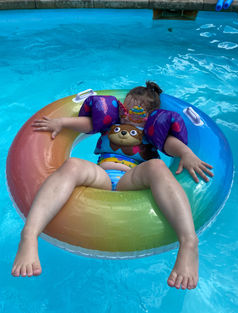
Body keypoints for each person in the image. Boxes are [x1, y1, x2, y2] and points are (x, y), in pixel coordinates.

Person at [11, 82, 213, 290]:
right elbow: (87, 125)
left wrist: (187, 154)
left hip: (131, 178)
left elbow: (169, 145)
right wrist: (61, 122)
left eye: (137, 113)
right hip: (103, 175)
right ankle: (29, 234)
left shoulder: (152, 132)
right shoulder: (111, 122)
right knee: (72, 165)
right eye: (126, 110)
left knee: (157, 166)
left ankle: (189, 242)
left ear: (150, 116)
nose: (128, 116)